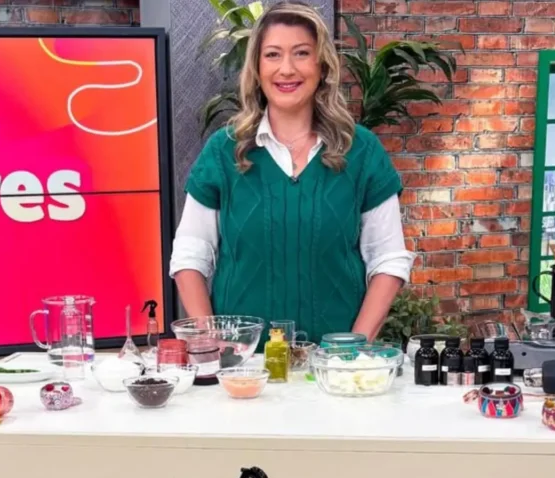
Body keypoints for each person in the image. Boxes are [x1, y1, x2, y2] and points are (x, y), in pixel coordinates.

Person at [169, 1, 413, 343]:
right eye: (272, 55)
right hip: (242, 364)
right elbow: (190, 256)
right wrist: (212, 342)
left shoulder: (362, 151)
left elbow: (387, 260)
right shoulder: (223, 151)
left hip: (335, 364)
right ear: (256, 68)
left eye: (301, 53)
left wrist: (352, 350)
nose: (287, 69)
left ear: (322, 65)